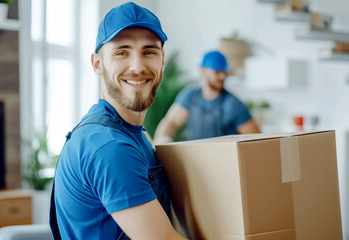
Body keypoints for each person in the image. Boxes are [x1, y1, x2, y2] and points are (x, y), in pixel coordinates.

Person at [49, 2, 187, 240]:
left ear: (162, 60)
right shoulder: (110, 146)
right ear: (97, 63)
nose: (137, 66)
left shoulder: (134, 134)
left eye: (149, 52)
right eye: (121, 52)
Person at [154, 50, 260, 143]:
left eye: (224, 72)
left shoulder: (234, 105)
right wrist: (163, 140)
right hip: (196, 161)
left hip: (224, 164)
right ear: (203, 71)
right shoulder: (190, 96)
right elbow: (172, 122)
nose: (222, 76)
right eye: (217, 72)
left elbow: (256, 141)